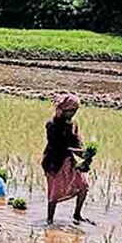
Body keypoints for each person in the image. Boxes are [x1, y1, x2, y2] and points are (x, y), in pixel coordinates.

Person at [42, 94, 91, 224]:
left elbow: (77, 142)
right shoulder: (52, 125)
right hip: (54, 161)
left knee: (83, 187)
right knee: (54, 192)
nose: (74, 113)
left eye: (75, 111)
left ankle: (77, 214)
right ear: (63, 109)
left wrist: (86, 155)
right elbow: (57, 146)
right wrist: (78, 152)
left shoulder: (73, 124)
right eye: (71, 110)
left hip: (68, 160)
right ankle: (49, 220)